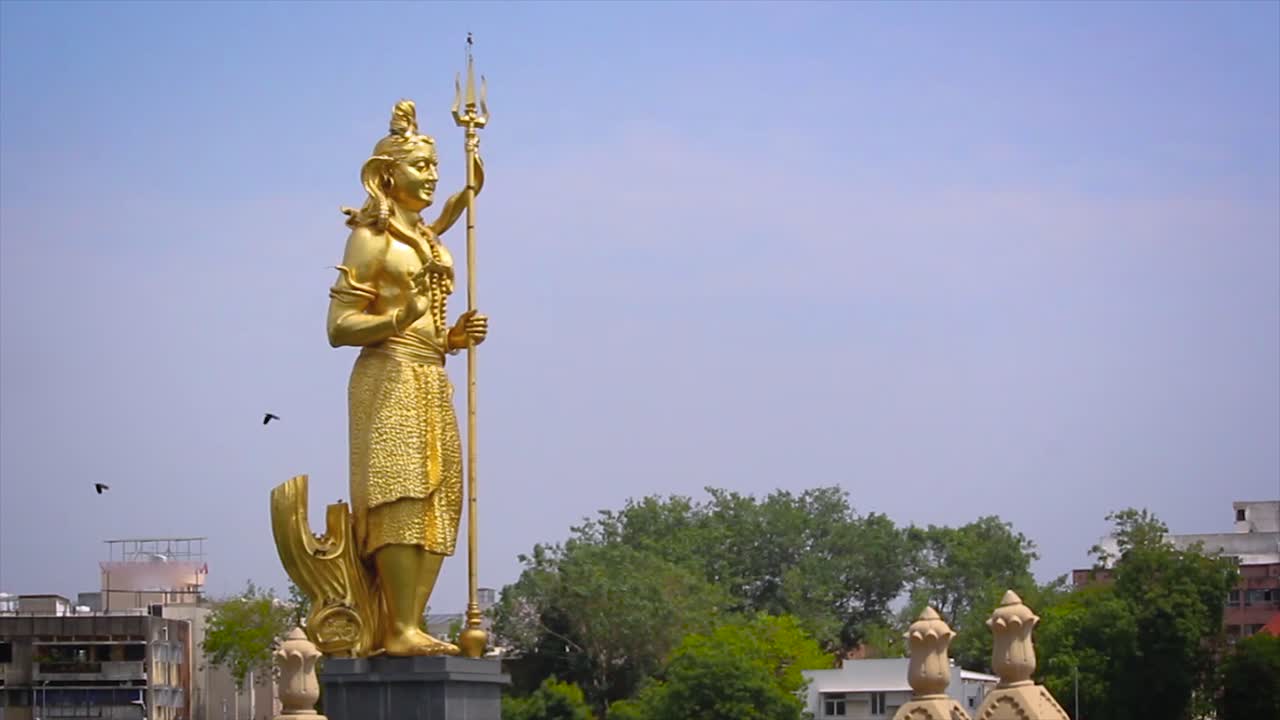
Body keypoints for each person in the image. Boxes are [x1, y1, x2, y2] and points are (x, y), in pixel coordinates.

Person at [325, 99, 487, 656]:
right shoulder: (371, 239)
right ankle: (395, 628)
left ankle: (411, 621)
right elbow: (339, 326)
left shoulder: (428, 239)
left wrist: (451, 339)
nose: (431, 177)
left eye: (434, 169)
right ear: (387, 175)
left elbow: (447, 214)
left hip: (430, 373)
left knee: (440, 500)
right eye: (421, 167)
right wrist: (400, 315)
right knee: (400, 493)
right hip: (388, 374)